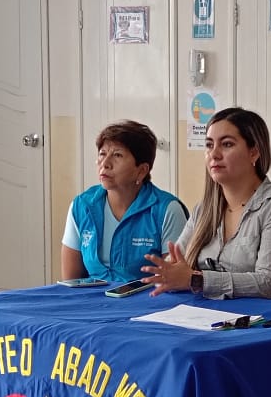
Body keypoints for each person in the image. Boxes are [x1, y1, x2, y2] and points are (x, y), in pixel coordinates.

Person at [140, 107, 271, 302]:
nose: (214, 154)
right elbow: (176, 268)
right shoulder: (203, 210)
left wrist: (196, 280)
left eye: (227, 144)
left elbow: (268, 284)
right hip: (220, 313)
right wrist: (169, 274)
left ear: (254, 152)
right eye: (209, 145)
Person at [61, 121, 186, 282]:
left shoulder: (167, 210)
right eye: (102, 153)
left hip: (146, 297)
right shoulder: (82, 206)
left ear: (141, 170)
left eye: (117, 155)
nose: (105, 163)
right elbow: (70, 283)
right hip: (90, 297)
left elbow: (173, 282)